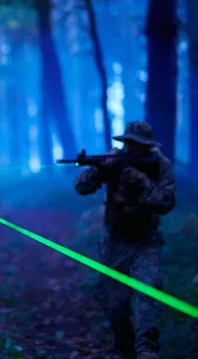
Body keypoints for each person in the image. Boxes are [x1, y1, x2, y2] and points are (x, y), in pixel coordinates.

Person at [74, 121, 175, 359]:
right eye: (127, 143)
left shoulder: (160, 165)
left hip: (146, 239)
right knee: (113, 301)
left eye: (136, 144)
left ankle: (146, 348)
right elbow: (81, 187)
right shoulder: (116, 160)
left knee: (148, 290)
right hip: (115, 240)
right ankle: (125, 346)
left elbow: (165, 202)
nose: (130, 148)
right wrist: (99, 170)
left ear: (147, 146)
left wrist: (138, 180)